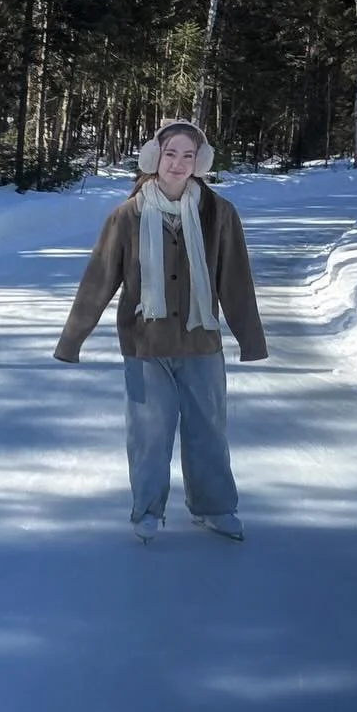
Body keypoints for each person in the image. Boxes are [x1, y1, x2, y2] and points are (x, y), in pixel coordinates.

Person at [53, 119, 266, 543]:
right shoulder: (126, 216)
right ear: (155, 158)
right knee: (149, 433)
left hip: (200, 342)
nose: (178, 164)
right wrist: (72, 338)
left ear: (199, 162)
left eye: (189, 156)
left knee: (208, 428)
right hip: (144, 343)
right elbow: (99, 279)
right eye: (171, 154)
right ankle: (147, 510)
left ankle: (215, 507)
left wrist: (250, 339)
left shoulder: (218, 214)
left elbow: (236, 280)